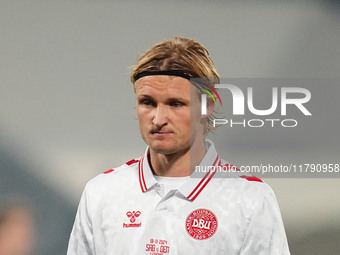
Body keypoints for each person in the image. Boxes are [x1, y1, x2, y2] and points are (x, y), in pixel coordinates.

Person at [67, 37, 290, 254]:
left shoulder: (250, 199)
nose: (158, 118)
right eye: (148, 102)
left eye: (175, 104)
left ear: (207, 106)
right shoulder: (101, 193)